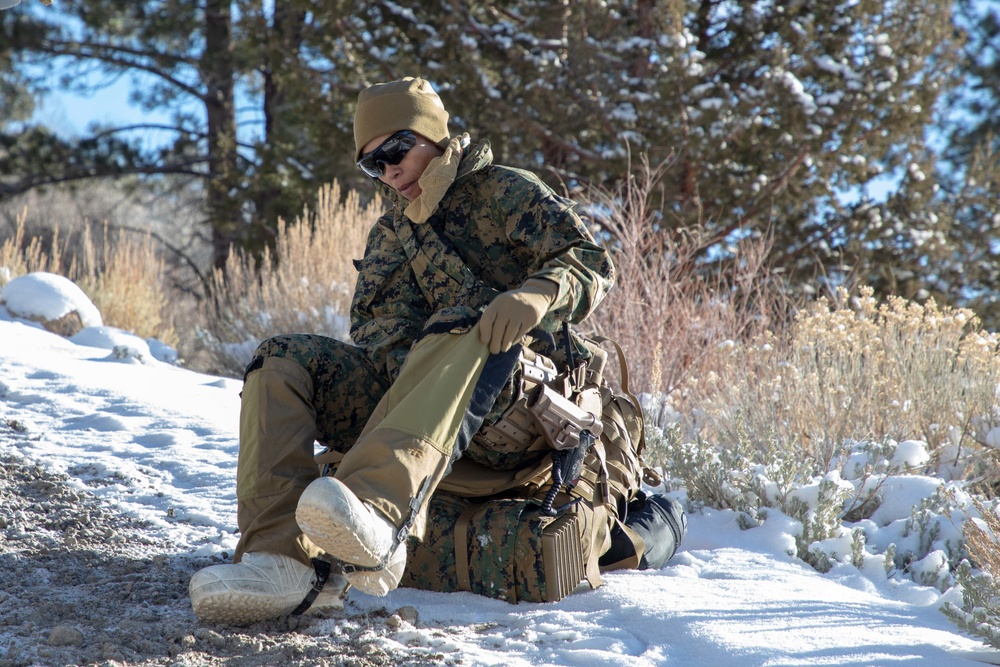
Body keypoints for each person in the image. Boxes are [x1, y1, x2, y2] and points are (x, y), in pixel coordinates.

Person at [189, 77, 685, 625]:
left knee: (459, 319)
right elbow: (380, 336)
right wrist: (414, 372)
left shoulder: (504, 192)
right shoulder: (392, 235)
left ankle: (380, 517)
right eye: (372, 165)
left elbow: (591, 261)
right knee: (281, 359)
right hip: (428, 413)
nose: (388, 171)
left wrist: (538, 294)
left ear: (432, 135)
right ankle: (279, 560)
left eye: (395, 151)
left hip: (523, 409)